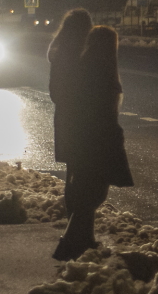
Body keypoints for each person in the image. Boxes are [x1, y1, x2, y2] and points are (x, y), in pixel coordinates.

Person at [53, 25, 134, 261]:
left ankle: (82, 242)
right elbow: (104, 114)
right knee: (93, 195)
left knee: (88, 193)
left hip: (83, 142)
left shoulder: (84, 68)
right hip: (98, 143)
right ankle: (69, 246)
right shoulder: (103, 72)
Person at [48, 9, 93, 185]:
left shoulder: (59, 52)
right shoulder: (89, 52)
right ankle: (81, 210)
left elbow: (54, 91)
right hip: (87, 117)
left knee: (72, 170)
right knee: (86, 170)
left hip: (65, 116)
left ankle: (72, 208)